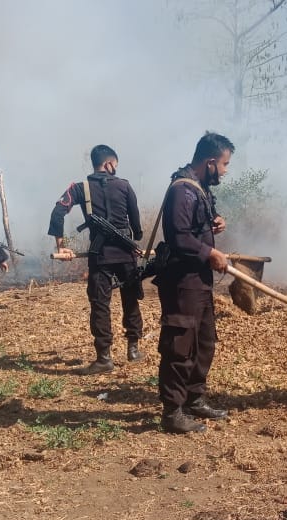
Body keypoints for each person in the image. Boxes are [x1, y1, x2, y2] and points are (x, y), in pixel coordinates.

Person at [154, 132, 235, 434]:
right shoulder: (182, 191)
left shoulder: (199, 189)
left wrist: (217, 221)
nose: (225, 172)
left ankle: (194, 398)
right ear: (210, 162)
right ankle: (173, 411)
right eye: (225, 165)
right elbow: (178, 237)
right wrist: (210, 251)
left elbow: (199, 222)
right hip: (182, 281)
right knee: (180, 345)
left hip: (199, 281)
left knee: (204, 342)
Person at [49, 145, 146, 375]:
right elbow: (137, 224)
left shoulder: (80, 188)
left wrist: (61, 246)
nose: (115, 169)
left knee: (100, 304)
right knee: (130, 299)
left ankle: (104, 358)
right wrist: (136, 238)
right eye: (115, 165)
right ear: (109, 164)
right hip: (126, 254)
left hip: (99, 255)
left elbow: (57, 211)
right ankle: (133, 349)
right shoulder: (124, 185)